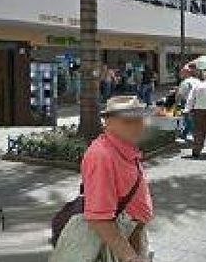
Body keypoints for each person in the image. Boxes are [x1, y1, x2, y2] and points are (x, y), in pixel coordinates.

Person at [53, 96, 153, 262]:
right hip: (114, 243)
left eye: (140, 118)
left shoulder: (125, 146)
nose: (138, 125)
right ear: (108, 122)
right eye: (128, 121)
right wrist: (129, 256)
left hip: (132, 233)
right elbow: (99, 218)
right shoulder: (102, 156)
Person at [175, 65, 200, 141]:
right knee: (192, 119)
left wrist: (177, 103)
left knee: (188, 120)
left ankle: (195, 135)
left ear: (186, 73)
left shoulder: (185, 82)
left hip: (187, 102)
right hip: (197, 102)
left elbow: (180, 94)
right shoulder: (197, 81)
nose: (180, 75)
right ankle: (184, 134)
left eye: (181, 73)